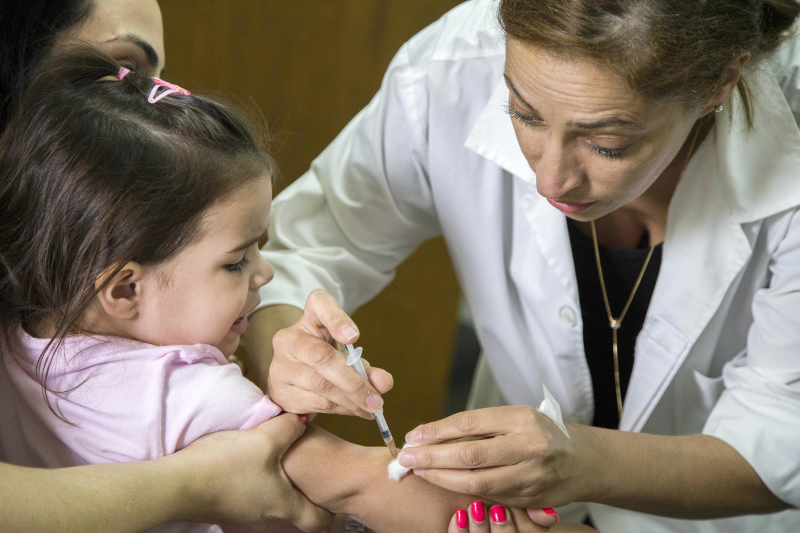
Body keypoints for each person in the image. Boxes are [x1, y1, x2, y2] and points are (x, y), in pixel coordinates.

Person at [246, 0, 800, 531]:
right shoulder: (456, 66)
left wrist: (586, 460)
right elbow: (300, 250)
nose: (550, 180)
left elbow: (779, 441)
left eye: (608, 144)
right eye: (523, 114)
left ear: (722, 82)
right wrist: (287, 344)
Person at [0, 45, 589, 533]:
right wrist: (501, 517)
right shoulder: (190, 393)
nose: (266, 273)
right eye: (235, 262)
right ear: (125, 289)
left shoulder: (16, 336)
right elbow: (362, 482)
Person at [0, 1, 330, 531]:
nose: (144, 104)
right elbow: (363, 484)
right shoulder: (191, 391)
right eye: (121, 71)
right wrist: (200, 481)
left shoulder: (24, 329)